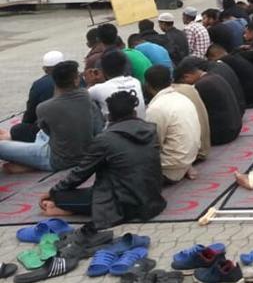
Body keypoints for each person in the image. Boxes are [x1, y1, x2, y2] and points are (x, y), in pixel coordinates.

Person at [40, 90, 166, 229]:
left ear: (109, 116)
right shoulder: (151, 130)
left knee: (60, 197)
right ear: (135, 113)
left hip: (122, 204)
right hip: (152, 199)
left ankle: (67, 208)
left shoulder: (105, 140)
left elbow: (81, 173)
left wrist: (53, 192)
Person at [0, 60, 103, 174]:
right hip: (87, 154)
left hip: (58, 160)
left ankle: (30, 163)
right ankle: (26, 160)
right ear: (76, 80)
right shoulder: (87, 97)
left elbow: (46, 133)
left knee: (4, 146)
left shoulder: (44, 107)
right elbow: (98, 128)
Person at [144, 66, 201, 184]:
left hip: (169, 170)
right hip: (188, 159)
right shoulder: (183, 98)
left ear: (148, 86)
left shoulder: (156, 108)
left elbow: (153, 145)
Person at [175, 61, 242, 146]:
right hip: (236, 127)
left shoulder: (201, 85)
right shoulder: (215, 76)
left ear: (187, 76)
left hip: (223, 135)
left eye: (184, 83)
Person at [3, 51, 63, 143]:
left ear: (45, 69)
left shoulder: (40, 84)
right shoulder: (78, 79)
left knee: (17, 130)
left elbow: (30, 114)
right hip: (73, 129)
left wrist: (24, 126)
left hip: (51, 134)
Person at [88, 50, 146, 118]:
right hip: (140, 122)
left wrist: (91, 82)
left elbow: (82, 98)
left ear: (103, 70)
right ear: (125, 67)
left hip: (114, 124)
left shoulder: (98, 89)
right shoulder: (136, 81)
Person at [206, 43, 253, 108]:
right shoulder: (234, 57)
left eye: (210, 60)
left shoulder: (222, 63)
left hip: (251, 99)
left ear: (214, 56)